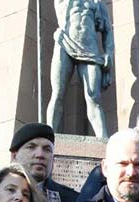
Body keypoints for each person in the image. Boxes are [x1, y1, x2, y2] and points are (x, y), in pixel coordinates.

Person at [46, 0, 114, 137]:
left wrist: (109, 52)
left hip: (90, 49)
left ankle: (103, 141)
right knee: (58, 93)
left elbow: (108, 31)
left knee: (94, 97)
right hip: (65, 43)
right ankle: (47, 136)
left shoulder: (97, 3)